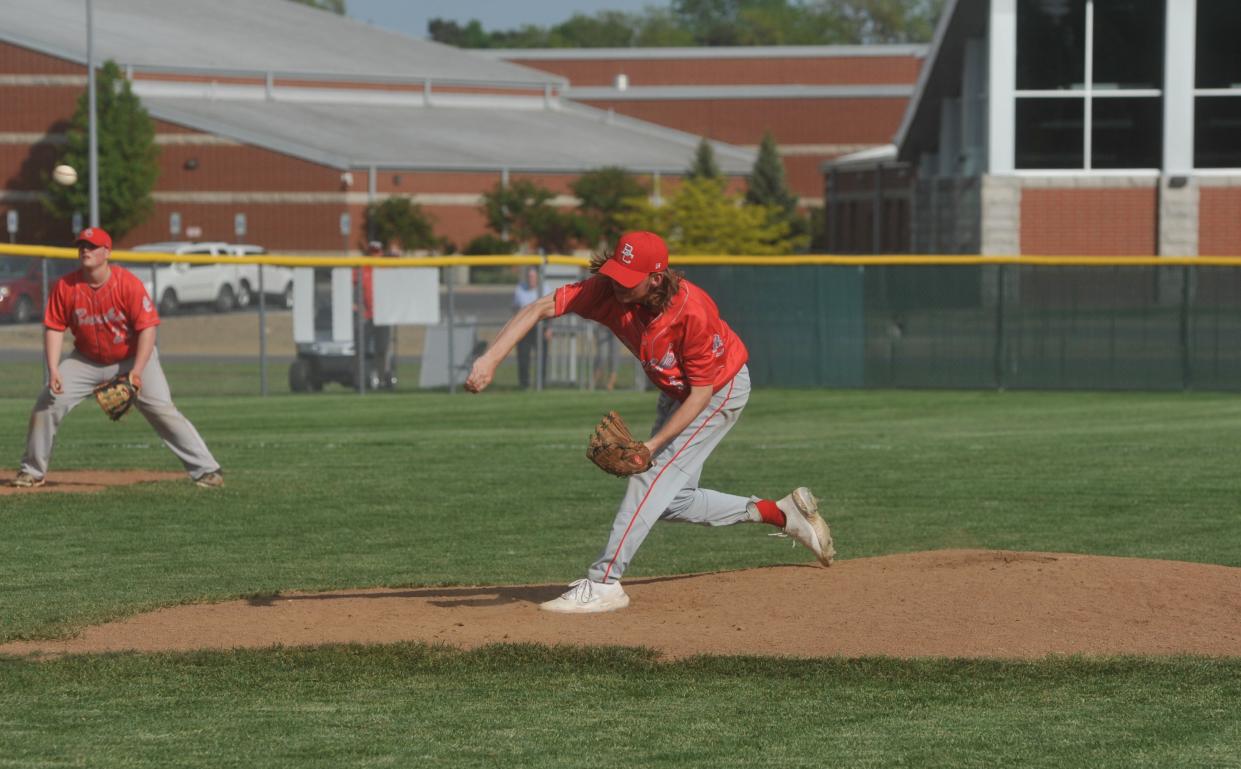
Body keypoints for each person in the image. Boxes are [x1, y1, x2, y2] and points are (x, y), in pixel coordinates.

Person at [466, 231, 834, 613]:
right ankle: (782, 513)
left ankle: (605, 581)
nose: (617, 284)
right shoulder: (606, 290)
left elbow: (701, 395)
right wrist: (491, 359)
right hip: (677, 393)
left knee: (647, 474)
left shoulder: (692, 311)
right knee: (671, 501)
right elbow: (540, 307)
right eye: (615, 271)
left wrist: (652, 446)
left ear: (656, 278)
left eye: (628, 277)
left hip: (717, 391)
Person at [11, 227, 223, 488]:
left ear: (107, 252)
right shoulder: (66, 286)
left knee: (162, 410)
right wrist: (54, 369)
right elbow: (54, 327)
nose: (85, 250)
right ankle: (32, 471)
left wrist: (136, 371)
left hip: (132, 357)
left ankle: (207, 470)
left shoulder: (127, 284)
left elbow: (148, 329)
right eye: (82, 246)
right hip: (86, 360)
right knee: (48, 401)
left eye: (92, 246)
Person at [355, 240, 396, 389]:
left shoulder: (386, 268)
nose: (375, 255)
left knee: (382, 349)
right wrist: (355, 304)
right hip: (366, 316)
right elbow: (350, 286)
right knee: (361, 349)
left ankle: (382, 379)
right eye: (372, 252)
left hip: (383, 315)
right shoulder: (362, 269)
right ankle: (360, 380)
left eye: (377, 252)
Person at [511, 265, 550, 389]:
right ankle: (524, 384)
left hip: (540, 326)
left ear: (538, 277)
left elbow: (550, 310)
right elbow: (515, 309)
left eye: (533, 276)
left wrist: (549, 328)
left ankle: (541, 384)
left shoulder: (545, 289)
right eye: (529, 276)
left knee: (542, 357)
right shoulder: (520, 289)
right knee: (523, 357)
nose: (531, 279)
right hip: (524, 328)